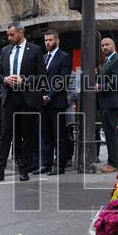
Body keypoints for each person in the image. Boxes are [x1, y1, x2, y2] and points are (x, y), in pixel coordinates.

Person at [0, 22, 46, 183]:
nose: (9, 37)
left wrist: (23, 80)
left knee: (27, 135)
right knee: (5, 134)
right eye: (8, 34)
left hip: (28, 99)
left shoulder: (35, 50)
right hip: (10, 97)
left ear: (21, 33)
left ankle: (24, 170)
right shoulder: (5, 50)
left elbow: (42, 77)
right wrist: (5, 79)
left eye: (12, 34)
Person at [38, 30, 72, 176]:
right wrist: (39, 96)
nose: (47, 43)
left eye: (50, 40)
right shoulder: (43, 58)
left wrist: (49, 96)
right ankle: (46, 164)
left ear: (57, 41)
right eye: (46, 40)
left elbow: (62, 81)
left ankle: (60, 166)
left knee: (60, 135)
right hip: (42, 102)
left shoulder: (64, 57)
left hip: (56, 102)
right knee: (46, 135)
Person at [96, 37, 118, 173]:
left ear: (113, 46)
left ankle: (114, 163)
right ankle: (113, 162)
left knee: (111, 134)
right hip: (106, 103)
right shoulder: (107, 61)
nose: (104, 47)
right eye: (102, 45)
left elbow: (117, 82)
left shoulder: (117, 61)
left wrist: (100, 87)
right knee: (109, 134)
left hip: (112, 103)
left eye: (107, 44)